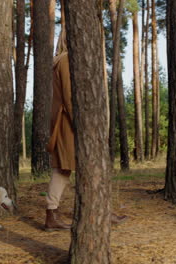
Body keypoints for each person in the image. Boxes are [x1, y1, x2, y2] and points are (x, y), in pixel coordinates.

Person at [44, 30, 126, 231]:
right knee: (82, 166)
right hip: (69, 123)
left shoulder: (66, 60)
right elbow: (70, 96)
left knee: (65, 168)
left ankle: (55, 213)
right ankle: (95, 212)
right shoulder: (66, 61)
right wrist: (82, 125)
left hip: (67, 122)